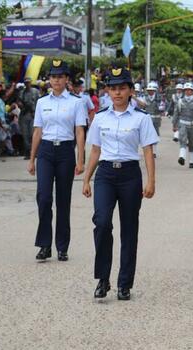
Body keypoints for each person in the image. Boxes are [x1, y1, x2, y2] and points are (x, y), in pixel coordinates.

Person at [82, 67, 158, 300]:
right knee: (102, 223)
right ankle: (103, 279)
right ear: (107, 91)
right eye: (113, 88)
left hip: (129, 175)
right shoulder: (101, 118)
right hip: (105, 174)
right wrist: (86, 178)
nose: (117, 93)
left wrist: (151, 180)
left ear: (130, 91)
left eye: (122, 88)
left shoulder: (141, 119)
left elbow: (147, 151)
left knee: (129, 229)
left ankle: (124, 283)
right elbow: (95, 149)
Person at [27, 59, 87, 261]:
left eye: (60, 76)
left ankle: (62, 246)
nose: (56, 80)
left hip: (65, 152)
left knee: (63, 200)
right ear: (49, 79)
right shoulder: (42, 102)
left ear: (67, 79)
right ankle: (44, 245)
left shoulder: (76, 102)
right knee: (43, 198)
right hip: (45, 151)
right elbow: (37, 131)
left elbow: (79, 131)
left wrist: (81, 160)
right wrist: (32, 159)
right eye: (53, 76)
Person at [173, 83, 193, 168]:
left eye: (189, 90)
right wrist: (174, 124)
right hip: (182, 124)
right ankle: (182, 157)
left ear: (192, 91)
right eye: (186, 90)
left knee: (192, 142)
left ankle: (191, 161)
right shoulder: (180, 101)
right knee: (182, 140)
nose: (188, 92)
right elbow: (176, 113)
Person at [20, 77, 41, 159]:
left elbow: (39, 102)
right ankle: (28, 152)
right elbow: (19, 102)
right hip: (24, 115)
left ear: (31, 83)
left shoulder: (35, 92)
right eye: (26, 83)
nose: (27, 84)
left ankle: (35, 151)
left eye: (28, 82)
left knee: (33, 134)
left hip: (34, 114)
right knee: (25, 135)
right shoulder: (22, 93)